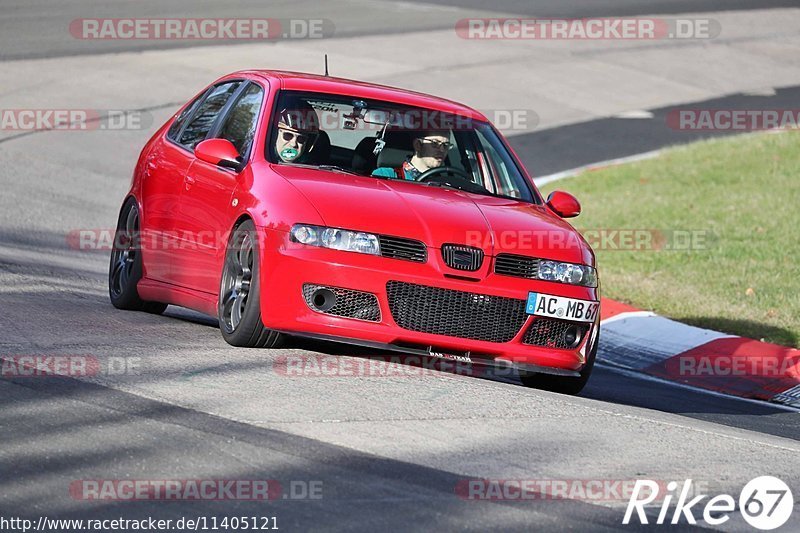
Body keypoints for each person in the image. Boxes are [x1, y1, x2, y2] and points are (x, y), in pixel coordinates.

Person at [372, 130, 452, 180]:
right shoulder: (385, 176)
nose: (442, 150)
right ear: (418, 145)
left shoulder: (446, 184)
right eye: (435, 143)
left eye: (446, 145)